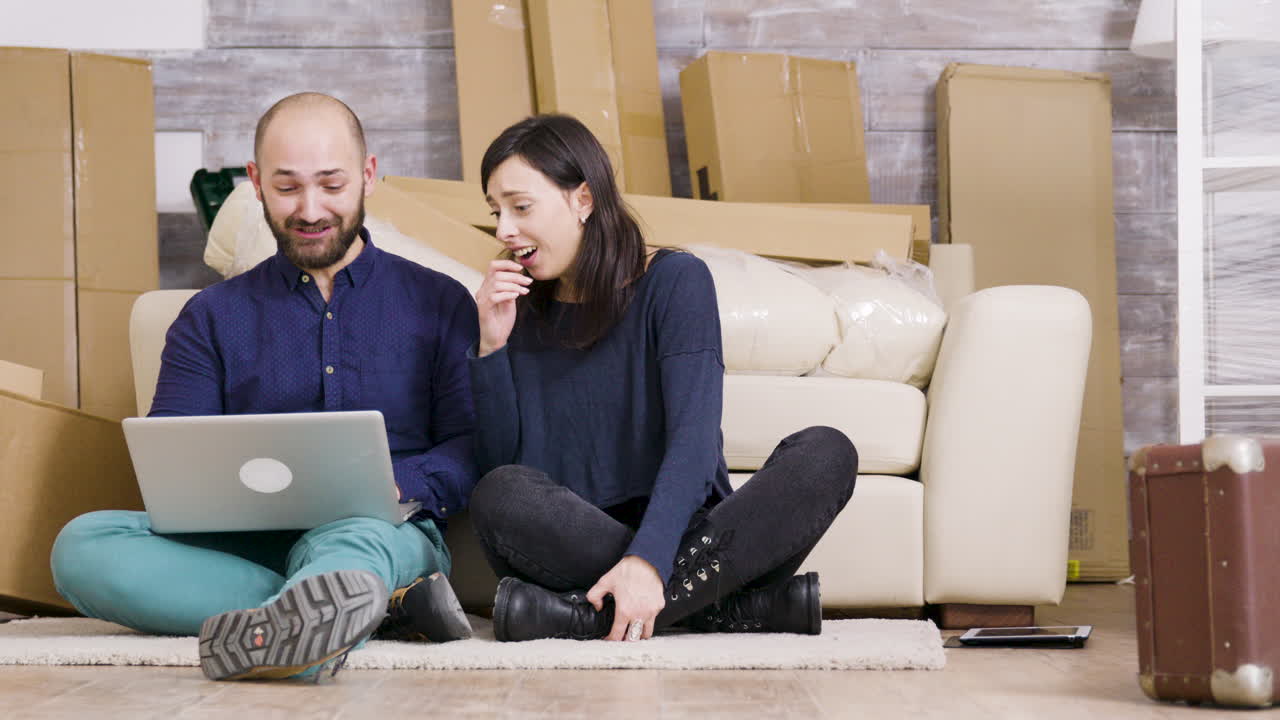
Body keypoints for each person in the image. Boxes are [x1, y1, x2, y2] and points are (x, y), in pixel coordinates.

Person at [50, 93, 479, 681]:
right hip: (244, 544)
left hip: (379, 532)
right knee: (83, 545)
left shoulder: (441, 301)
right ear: (255, 182)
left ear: (368, 176)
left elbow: (467, 446)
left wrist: (389, 486)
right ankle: (352, 614)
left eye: (331, 185)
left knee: (355, 548)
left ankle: (315, 612)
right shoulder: (211, 316)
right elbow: (175, 457)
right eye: (287, 187)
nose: (310, 208)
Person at [463, 114, 858, 643]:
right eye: (496, 212)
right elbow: (501, 468)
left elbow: (694, 445)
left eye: (521, 207)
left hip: (698, 537)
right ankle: (734, 609)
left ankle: (586, 618)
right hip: (590, 549)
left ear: (583, 199)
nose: (504, 230)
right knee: (497, 493)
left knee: (827, 452)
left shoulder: (674, 281)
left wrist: (648, 560)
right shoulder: (515, 309)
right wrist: (491, 346)